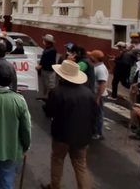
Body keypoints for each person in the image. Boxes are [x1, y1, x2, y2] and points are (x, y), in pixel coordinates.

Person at [41, 60, 95, 189]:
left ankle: (55, 186)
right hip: (82, 135)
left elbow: (49, 112)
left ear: (61, 76)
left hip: (61, 135)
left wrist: (46, 104)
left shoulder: (57, 92)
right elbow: (94, 114)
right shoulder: (88, 93)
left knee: (57, 160)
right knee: (80, 165)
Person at [88, 50, 108, 140]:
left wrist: (97, 97)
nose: (89, 58)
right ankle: (93, 130)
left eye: (91, 56)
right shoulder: (97, 66)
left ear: (95, 58)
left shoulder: (100, 69)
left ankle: (98, 133)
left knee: (98, 114)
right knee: (94, 113)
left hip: (99, 95)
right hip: (95, 94)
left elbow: (102, 85)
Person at [36, 34, 58, 99]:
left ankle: (51, 98)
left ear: (47, 42)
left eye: (44, 40)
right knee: (45, 84)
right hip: (45, 69)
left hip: (50, 71)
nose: (43, 41)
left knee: (51, 85)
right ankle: (45, 97)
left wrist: (40, 65)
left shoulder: (52, 50)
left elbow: (45, 58)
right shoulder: (47, 49)